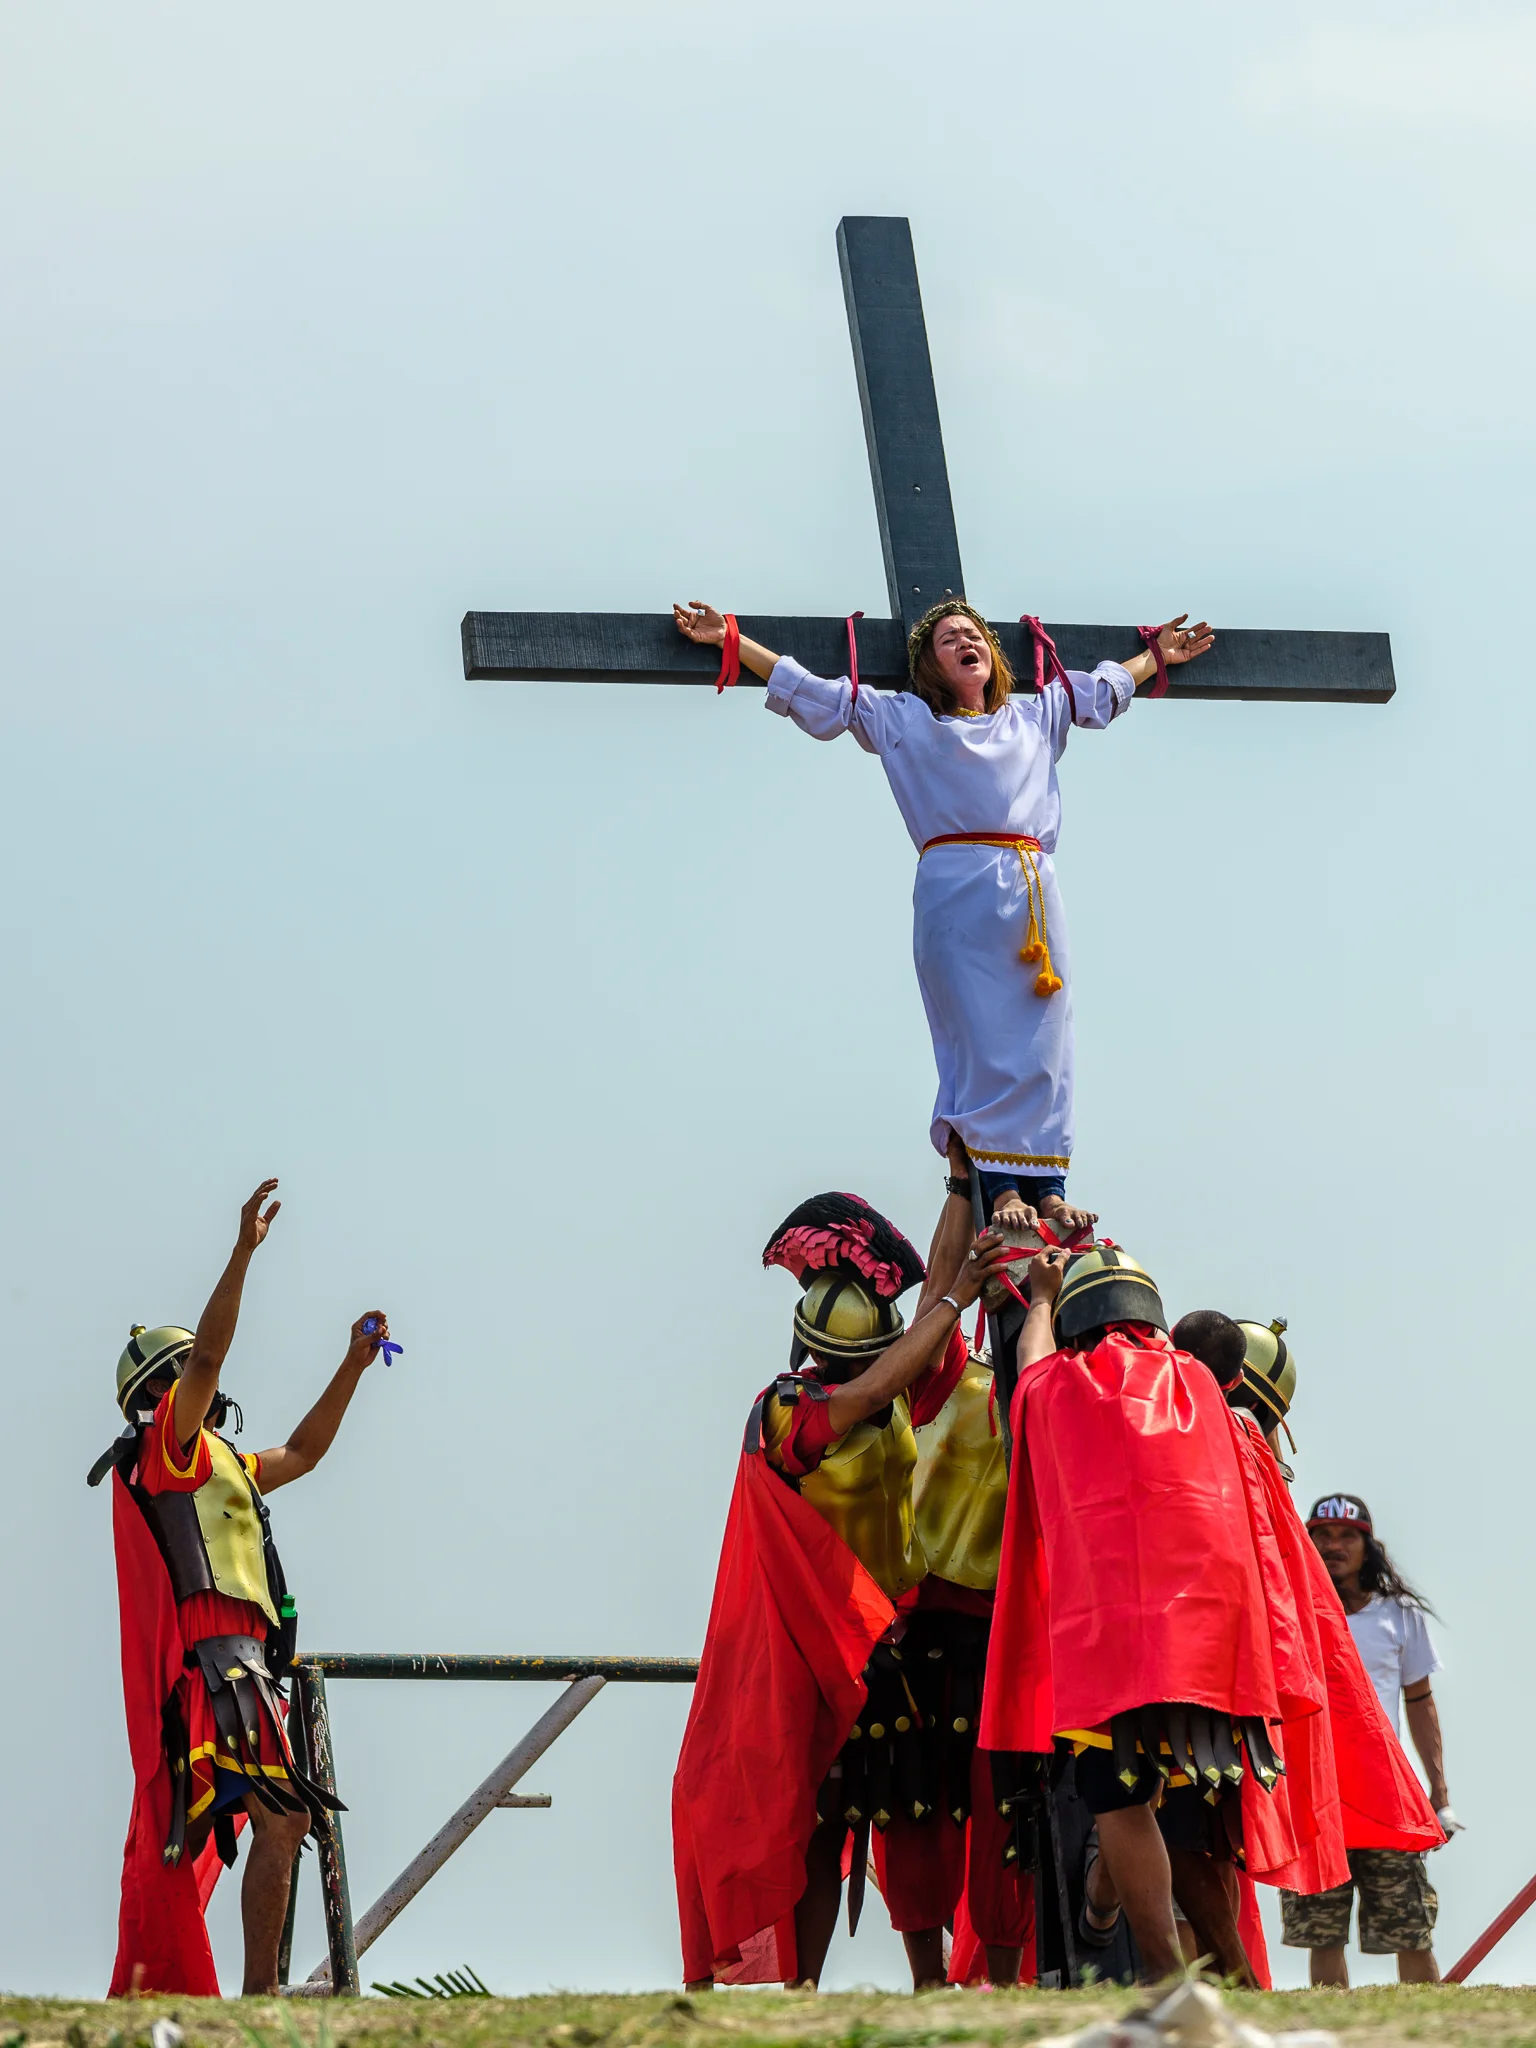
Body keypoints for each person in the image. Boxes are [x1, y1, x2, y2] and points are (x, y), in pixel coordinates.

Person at [673, 597, 1213, 1236]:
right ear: (930, 664)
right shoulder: (904, 720)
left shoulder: (1033, 717)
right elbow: (818, 695)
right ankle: (1000, 1184)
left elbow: (1102, 688)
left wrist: (1155, 656)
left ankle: (1049, 1188)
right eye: (949, 638)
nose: (965, 641)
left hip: (1031, 893)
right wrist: (733, 640)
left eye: (973, 633)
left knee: (1045, 1040)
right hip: (956, 890)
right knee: (976, 1037)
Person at [672, 1178, 1014, 1991]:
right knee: (819, 1826)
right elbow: (875, 1383)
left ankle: (926, 1986)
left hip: (884, 1644)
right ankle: (803, 1992)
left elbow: (932, 1299)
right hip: (812, 1649)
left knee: (902, 1814)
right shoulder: (790, 1412)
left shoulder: (891, 1388)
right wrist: (954, 1299)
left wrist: (960, 1186)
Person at [980, 1250, 1348, 1986]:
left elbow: (1031, 1365)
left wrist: (1041, 1295)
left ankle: (1160, 1970)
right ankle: (1157, 1939)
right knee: (1190, 1813)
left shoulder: (1062, 1384)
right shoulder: (1206, 1390)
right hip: (1214, 1650)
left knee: (1116, 1792)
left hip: (1110, 1644)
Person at [97, 1179, 393, 1997]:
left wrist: (352, 1365)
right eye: (186, 1375)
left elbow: (302, 1453)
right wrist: (242, 1253)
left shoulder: (219, 1461)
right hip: (213, 1669)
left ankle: (228, 1992)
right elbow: (209, 1359)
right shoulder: (169, 1451)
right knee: (276, 1817)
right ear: (162, 1391)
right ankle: (254, 1997)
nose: (205, 1384)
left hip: (246, 1666)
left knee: (264, 1821)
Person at [1287, 1494, 1456, 1987]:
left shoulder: (1398, 1615)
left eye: (1347, 1536)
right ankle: (1333, 2025)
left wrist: (1439, 1793)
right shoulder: (1291, 1610)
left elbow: (1420, 1703)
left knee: (1411, 1929)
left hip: (1387, 1796)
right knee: (1322, 1934)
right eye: (1322, 1535)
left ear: (1368, 1547)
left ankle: (1428, 2024)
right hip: (1316, 1797)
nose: (1334, 1546)